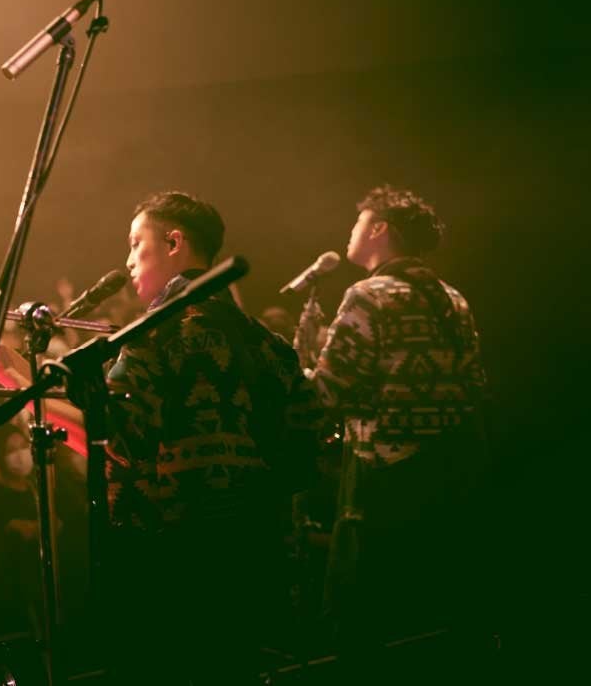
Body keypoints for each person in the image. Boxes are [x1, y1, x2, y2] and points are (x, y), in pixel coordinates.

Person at [105, 192, 318, 684]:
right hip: (257, 558)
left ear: (174, 242)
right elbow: (305, 452)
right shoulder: (269, 342)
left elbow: (119, 436)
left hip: (172, 566)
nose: (128, 260)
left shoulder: (152, 338)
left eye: (136, 244)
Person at [301, 186, 488, 666]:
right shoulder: (453, 298)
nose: (351, 230)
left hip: (379, 477)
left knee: (363, 625)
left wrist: (298, 373)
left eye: (358, 221)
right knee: (424, 628)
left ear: (379, 228)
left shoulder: (367, 294)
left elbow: (328, 393)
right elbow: (471, 385)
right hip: (448, 473)